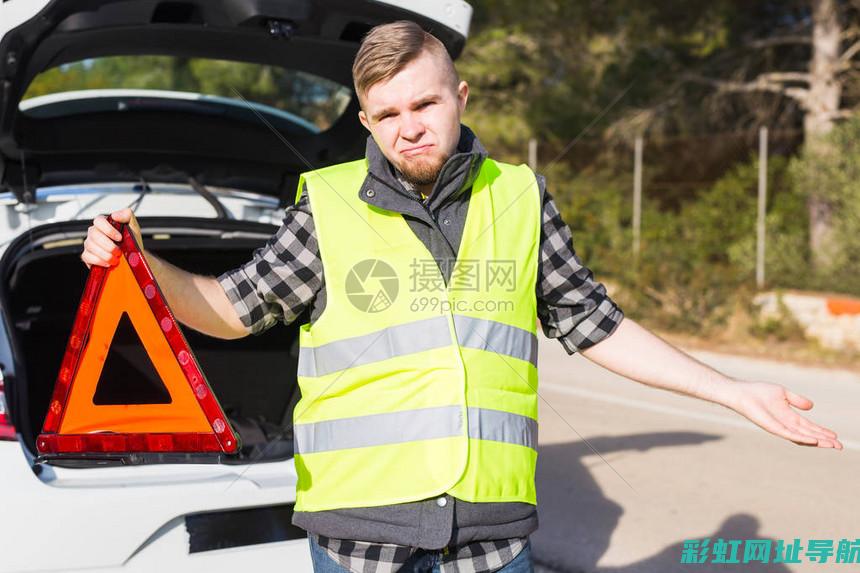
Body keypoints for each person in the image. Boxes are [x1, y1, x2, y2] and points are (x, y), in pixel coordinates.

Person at [81, 20, 842, 573]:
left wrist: (733, 391)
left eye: (425, 105)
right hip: (360, 546)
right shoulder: (327, 208)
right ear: (367, 122)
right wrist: (143, 262)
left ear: (460, 95)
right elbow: (226, 307)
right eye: (387, 115)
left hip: (492, 543)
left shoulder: (519, 197)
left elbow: (595, 323)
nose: (408, 128)